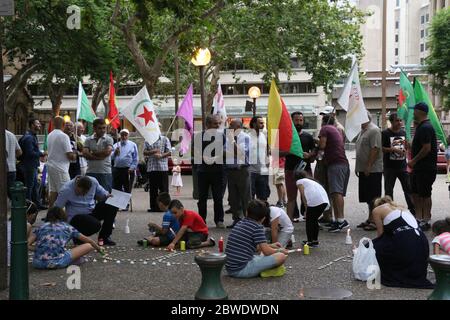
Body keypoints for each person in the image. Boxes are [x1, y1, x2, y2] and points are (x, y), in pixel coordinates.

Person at [371, 196, 433, 289]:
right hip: (422, 242)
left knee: (376, 246)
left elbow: (381, 235)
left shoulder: (377, 210)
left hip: (406, 241)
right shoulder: (402, 208)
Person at [225, 199, 289, 278]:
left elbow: (256, 247)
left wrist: (271, 245)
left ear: (246, 212)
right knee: (281, 256)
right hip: (242, 269)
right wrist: (279, 250)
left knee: (259, 257)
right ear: (263, 219)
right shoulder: (257, 227)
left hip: (230, 268)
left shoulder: (240, 223)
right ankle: (267, 271)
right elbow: (267, 252)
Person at [28, 207, 103, 269]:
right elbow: (89, 241)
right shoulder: (68, 227)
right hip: (58, 262)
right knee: (88, 246)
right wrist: (99, 249)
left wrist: (40, 248)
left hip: (38, 263)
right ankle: (70, 261)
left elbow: (27, 244)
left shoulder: (41, 227)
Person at [54, 175, 119, 246]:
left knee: (112, 206)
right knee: (96, 224)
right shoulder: (66, 190)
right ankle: (78, 237)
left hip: (91, 212)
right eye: (81, 192)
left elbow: (104, 194)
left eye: (86, 193)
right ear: (76, 185)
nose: (83, 195)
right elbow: (57, 208)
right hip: (76, 218)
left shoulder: (93, 182)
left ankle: (104, 237)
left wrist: (110, 196)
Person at [318, 114, 350, 232]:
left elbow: (322, 145)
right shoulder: (336, 129)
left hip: (335, 164)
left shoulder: (325, 129)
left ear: (323, 121)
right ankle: (338, 220)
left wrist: (316, 147)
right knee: (336, 193)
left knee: (336, 192)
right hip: (342, 163)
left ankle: (341, 221)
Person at [408, 102, 437, 231]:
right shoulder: (421, 127)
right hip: (418, 168)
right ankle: (419, 218)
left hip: (426, 168)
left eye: (414, 110)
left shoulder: (426, 127)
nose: (413, 113)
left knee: (425, 194)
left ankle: (426, 219)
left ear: (420, 112)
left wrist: (413, 160)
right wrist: (410, 146)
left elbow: (426, 148)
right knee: (415, 193)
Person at [282, 112, 315, 222]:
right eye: (296, 120)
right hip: (290, 170)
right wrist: (289, 152)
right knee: (291, 197)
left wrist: (310, 155)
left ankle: (311, 221)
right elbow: (276, 152)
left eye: (301, 120)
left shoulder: (308, 136)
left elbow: (314, 151)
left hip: (305, 171)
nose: (299, 122)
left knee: (307, 197)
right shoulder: (287, 136)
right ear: (291, 121)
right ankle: (288, 221)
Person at [194, 114, 226, 228]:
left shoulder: (222, 136)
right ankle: (201, 220)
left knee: (218, 198)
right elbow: (196, 153)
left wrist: (216, 158)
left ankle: (219, 220)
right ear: (207, 125)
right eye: (215, 123)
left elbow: (225, 151)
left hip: (218, 171)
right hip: (203, 171)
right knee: (202, 198)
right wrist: (205, 158)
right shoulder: (199, 137)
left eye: (219, 123)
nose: (217, 126)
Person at [381, 113, 415, 217]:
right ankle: (389, 212)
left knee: (408, 189)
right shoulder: (385, 133)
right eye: (397, 121)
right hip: (389, 167)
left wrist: (408, 146)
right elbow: (381, 148)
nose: (399, 123)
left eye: (401, 121)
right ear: (391, 122)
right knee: (389, 190)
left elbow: (406, 146)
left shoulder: (403, 132)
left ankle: (413, 210)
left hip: (402, 166)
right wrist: (393, 149)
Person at [355, 115, 383, 231]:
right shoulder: (363, 130)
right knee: (367, 196)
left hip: (372, 169)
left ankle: (375, 220)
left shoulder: (374, 130)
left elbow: (375, 149)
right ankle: (370, 218)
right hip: (364, 169)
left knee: (374, 196)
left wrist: (368, 166)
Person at [225, 118, 251, 229]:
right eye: (230, 126)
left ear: (239, 127)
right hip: (230, 170)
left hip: (242, 170)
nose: (229, 128)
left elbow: (240, 154)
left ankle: (249, 221)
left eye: (232, 126)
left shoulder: (246, 137)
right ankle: (237, 219)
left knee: (245, 197)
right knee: (233, 197)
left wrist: (232, 143)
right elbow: (224, 153)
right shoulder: (228, 138)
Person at [47, 117, 77, 207]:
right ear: (63, 125)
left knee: (54, 192)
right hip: (60, 168)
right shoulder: (64, 136)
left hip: (51, 166)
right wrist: (76, 153)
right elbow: (70, 155)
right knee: (66, 191)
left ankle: (51, 214)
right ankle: (63, 216)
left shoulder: (50, 135)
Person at [18, 118, 47, 210]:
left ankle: (37, 205)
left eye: (39, 123)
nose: (39, 125)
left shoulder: (32, 136)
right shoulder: (29, 138)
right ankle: (29, 208)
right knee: (29, 187)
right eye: (37, 123)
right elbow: (30, 153)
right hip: (28, 166)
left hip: (32, 165)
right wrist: (42, 153)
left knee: (34, 186)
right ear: (31, 125)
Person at [295, 170, 330, 247]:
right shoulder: (311, 181)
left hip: (315, 201)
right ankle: (315, 240)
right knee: (314, 220)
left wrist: (306, 208)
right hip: (324, 200)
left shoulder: (299, 181)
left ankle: (310, 241)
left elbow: (303, 195)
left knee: (309, 221)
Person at [83, 118, 114, 192]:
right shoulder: (88, 139)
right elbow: (85, 153)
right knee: (90, 195)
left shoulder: (109, 139)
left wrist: (92, 153)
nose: (102, 130)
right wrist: (99, 156)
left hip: (105, 172)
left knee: (105, 196)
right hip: (91, 171)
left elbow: (107, 152)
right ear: (94, 128)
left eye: (104, 128)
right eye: (100, 128)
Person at [144, 132, 171, 213]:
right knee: (153, 190)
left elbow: (169, 152)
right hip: (152, 168)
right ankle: (154, 207)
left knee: (164, 189)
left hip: (162, 168)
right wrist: (153, 151)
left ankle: (165, 207)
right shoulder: (148, 140)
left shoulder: (165, 139)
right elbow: (144, 152)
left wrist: (161, 155)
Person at [112, 128, 138, 211]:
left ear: (128, 136)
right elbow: (111, 158)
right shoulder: (116, 145)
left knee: (127, 187)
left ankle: (126, 204)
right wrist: (115, 153)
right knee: (117, 187)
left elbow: (135, 158)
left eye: (125, 135)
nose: (123, 136)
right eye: (122, 135)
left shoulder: (133, 145)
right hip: (117, 168)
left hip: (128, 169)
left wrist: (132, 167)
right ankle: (116, 204)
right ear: (120, 135)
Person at [248, 116, 270, 201]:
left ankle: (262, 213)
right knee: (250, 195)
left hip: (263, 171)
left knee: (263, 195)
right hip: (251, 171)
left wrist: (267, 159)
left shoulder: (264, 135)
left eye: (263, 123)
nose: (263, 125)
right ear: (254, 124)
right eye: (260, 123)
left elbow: (266, 149)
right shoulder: (248, 137)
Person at [5, 129, 22, 199]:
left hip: (4, 170)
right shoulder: (11, 135)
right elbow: (19, 152)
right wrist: (12, 158)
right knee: (12, 194)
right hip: (12, 169)